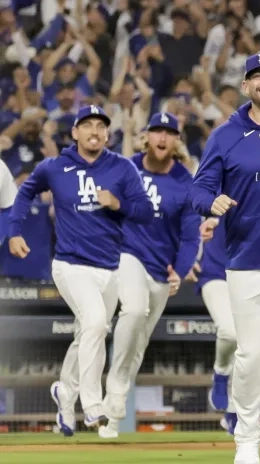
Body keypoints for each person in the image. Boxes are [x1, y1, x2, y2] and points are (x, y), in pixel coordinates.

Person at [7, 105, 154, 435]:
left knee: (87, 332)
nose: (95, 131)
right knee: (97, 323)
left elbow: (144, 212)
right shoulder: (55, 166)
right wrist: (14, 230)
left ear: (106, 133)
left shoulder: (121, 167)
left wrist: (119, 204)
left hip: (110, 267)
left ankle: (64, 392)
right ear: (74, 133)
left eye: (100, 126)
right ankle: (92, 405)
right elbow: (26, 191)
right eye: (87, 125)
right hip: (70, 265)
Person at [187, 51, 260, 463]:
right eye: (258, 76)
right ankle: (246, 439)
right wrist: (210, 202)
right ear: (247, 86)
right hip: (246, 260)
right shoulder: (226, 134)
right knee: (250, 355)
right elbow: (197, 190)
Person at [98, 112, 201, 438]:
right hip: (127, 255)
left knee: (139, 344)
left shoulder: (185, 181)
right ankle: (113, 390)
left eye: (169, 132)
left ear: (176, 140)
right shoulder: (126, 168)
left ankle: (113, 412)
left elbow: (190, 236)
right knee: (134, 308)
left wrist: (181, 270)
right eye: (156, 130)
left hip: (161, 268)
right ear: (146, 137)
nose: (162, 137)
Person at [193, 217, 240, 434]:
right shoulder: (208, 185)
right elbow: (186, 214)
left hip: (252, 274)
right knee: (229, 331)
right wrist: (187, 256)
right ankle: (220, 372)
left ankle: (234, 410)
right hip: (215, 272)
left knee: (254, 347)